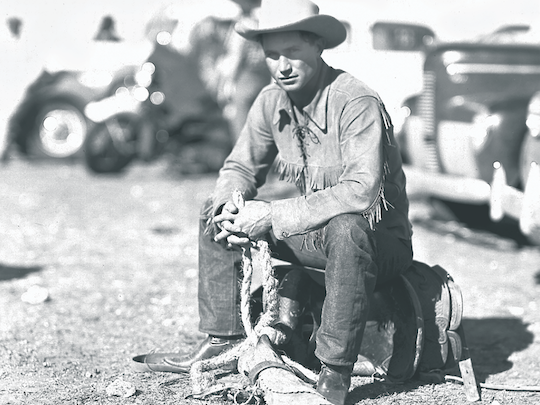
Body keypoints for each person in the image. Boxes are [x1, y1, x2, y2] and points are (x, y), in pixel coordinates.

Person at [133, 1, 413, 404]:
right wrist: (233, 203)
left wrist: (271, 215)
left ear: (318, 46)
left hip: (377, 244)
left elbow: (361, 192)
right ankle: (224, 339)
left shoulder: (356, 102)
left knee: (348, 227)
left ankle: (335, 369)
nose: (282, 65)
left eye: (293, 52)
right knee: (213, 209)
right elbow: (240, 167)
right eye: (272, 53)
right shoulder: (270, 100)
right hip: (316, 234)